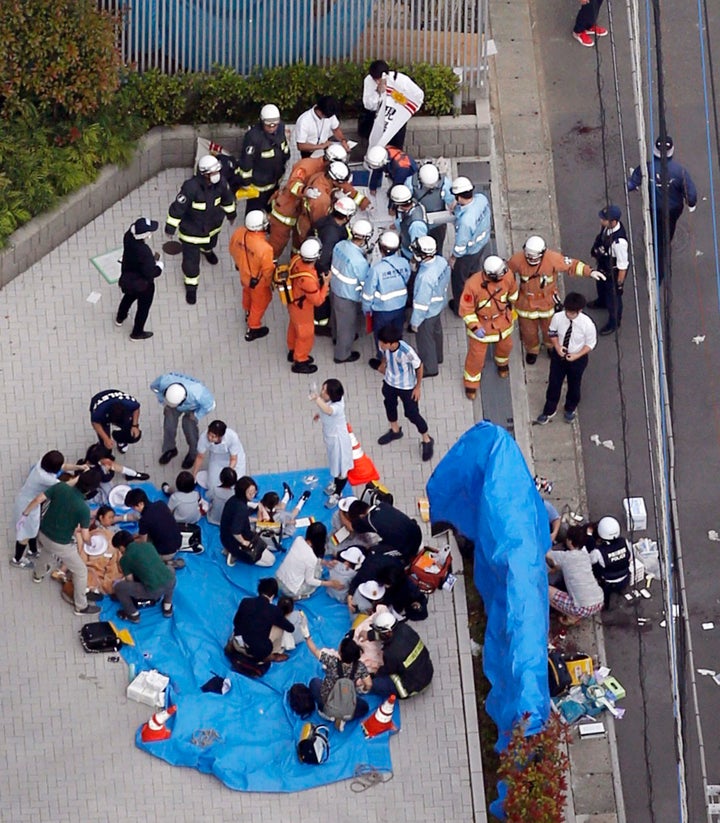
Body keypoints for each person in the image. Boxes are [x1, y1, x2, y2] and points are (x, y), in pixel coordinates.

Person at [506, 235, 604, 364]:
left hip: (547, 302)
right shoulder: (517, 260)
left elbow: (572, 265)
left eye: (534, 257)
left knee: (550, 329)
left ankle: (551, 347)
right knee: (528, 331)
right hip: (526, 303)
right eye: (528, 256)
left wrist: (589, 272)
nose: (530, 259)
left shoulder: (552, 259)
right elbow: (506, 275)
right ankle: (532, 350)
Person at [21, 468, 103, 616]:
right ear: (91, 490)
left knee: (46, 552)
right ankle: (81, 606)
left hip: (43, 532)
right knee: (81, 571)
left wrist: (25, 514)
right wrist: (92, 542)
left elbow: (38, 499)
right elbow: (85, 537)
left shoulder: (60, 487)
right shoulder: (83, 509)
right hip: (60, 543)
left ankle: (38, 575)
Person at [165, 154, 237, 304]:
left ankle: (207, 251)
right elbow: (178, 207)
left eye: (218, 172)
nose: (217, 175)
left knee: (210, 244)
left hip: (212, 226)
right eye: (214, 173)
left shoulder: (221, 184)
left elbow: (228, 200)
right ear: (204, 174)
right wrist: (170, 227)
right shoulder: (190, 187)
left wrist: (231, 214)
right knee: (191, 263)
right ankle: (191, 287)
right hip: (192, 232)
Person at [628, 135, 697, 281]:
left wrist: (634, 187)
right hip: (674, 209)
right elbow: (690, 193)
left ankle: (656, 263)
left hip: (654, 208)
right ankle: (667, 241)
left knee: (655, 231)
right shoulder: (679, 171)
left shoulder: (647, 167)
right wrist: (691, 204)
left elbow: (632, 183)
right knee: (669, 229)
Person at [268, 144, 348, 258]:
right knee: (277, 244)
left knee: (299, 243)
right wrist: (304, 190)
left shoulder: (327, 171)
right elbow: (292, 184)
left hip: (301, 211)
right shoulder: (306, 165)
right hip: (286, 210)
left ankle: (295, 261)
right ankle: (267, 267)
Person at [459, 255, 519, 399]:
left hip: (502, 320)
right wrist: (475, 326)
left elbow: (513, 293)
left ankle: (502, 364)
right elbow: (466, 309)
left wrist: (512, 308)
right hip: (482, 324)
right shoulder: (472, 285)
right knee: (476, 357)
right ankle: (471, 384)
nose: (503, 274)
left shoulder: (507, 275)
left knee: (506, 346)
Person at [373, 325, 434, 462]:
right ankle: (395, 430)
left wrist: (417, 387)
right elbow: (385, 356)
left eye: (383, 343)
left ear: (392, 343)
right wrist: (383, 365)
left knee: (412, 414)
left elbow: (419, 367)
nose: (380, 345)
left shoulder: (407, 352)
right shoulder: (384, 346)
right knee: (389, 405)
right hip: (389, 382)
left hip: (407, 387)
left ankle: (427, 438)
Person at [11, 450, 82, 568]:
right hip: (28, 506)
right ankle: (17, 559)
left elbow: (63, 467)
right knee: (25, 534)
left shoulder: (41, 465)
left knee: (32, 529)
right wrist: (82, 476)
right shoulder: (46, 478)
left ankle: (32, 551)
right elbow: (65, 486)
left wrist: (79, 466)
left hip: (30, 502)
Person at [536, 292, 597, 424]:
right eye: (567, 311)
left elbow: (590, 344)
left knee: (574, 384)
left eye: (572, 312)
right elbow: (552, 332)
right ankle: (549, 410)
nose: (569, 314)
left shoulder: (587, 324)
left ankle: (570, 408)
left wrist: (577, 355)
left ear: (579, 310)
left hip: (578, 359)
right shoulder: (558, 317)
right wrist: (557, 347)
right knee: (554, 383)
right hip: (559, 357)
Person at [302, 632, 371, 730]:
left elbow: (315, 650)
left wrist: (307, 636)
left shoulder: (332, 661)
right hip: (346, 703)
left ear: (341, 653)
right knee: (364, 707)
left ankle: (327, 714)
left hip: (327, 702)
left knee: (314, 682)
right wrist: (362, 689)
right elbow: (369, 684)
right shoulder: (360, 667)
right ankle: (342, 718)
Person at [150, 372, 216, 467]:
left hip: (192, 408)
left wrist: (197, 415)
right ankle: (170, 449)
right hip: (170, 403)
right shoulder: (164, 381)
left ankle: (193, 454)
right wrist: (163, 400)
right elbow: (154, 387)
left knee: (190, 429)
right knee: (169, 426)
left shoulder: (199, 393)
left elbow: (210, 405)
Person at [362, 230, 411, 359]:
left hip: (382, 310)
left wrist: (366, 310)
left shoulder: (376, 270)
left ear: (380, 248)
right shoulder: (404, 263)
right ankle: (396, 354)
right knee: (397, 333)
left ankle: (383, 358)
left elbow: (368, 293)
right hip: (400, 306)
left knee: (381, 335)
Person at [330, 218, 373, 363]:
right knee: (347, 327)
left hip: (335, 288)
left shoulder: (340, 245)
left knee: (336, 319)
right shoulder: (359, 262)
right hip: (348, 296)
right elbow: (365, 281)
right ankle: (342, 355)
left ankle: (335, 338)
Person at [228, 210, 275, 342]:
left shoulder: (239, 232)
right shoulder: (265, 249)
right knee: (260, 304)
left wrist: (240, 264)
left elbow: (231, 249)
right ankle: (253, 328)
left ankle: (247, 311)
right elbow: (268, 270)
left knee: (247, 292)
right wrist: (270, 283)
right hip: (258, 281)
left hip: (244, 275)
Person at [284, 238, 330, 375]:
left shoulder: (296, 260)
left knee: (294, 327)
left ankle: (292, 350)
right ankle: (300, 360)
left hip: (293, 303)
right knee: (305, 334)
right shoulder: (308, 280)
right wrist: (326, 284)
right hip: (303, 308)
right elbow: (318, 301)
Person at [111, 530, 176, 623]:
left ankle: (133, 615)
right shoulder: (147, 545)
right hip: (171, 582)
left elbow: (130, 580)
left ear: (121, 547)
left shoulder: (124, 559)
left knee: (119, 588)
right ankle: (167, 607)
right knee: (170, 570)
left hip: (153, 591)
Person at [115, 217, 164, 340]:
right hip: (143, 285)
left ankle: (120, 317)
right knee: (143, 308)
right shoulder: (144, 252)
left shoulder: (128, 236)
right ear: (145, 235)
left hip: (128, 277)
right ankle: (137, 333)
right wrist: (159, 267)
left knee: (128, 297)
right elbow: (150, 273)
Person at [366, 610, 433, 698]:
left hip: (412, 687)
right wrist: (369, 635)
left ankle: (403, 693)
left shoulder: (392, 653)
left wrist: (374, 673)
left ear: (388, 633)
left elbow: (387, 670)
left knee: (375, 684)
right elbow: (386, 635)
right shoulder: (405, 628)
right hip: (427, 671)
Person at [236, 104, 290, 213]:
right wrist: (246, 183)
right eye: (268, 126)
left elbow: (284, 149)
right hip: (257, 187)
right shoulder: (252, 137)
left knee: (273, 212)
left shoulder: (281, 129)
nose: (271, 128)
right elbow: (246, 162)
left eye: (274, 125)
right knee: (254, 214)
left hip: (274, 182)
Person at [409, 235, 450, 377]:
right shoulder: (441, 261)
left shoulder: (425, 278)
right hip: (438, 306)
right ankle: (438, 357)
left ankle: (429, 368)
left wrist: (415, 322)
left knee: (425, 341)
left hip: (427, 313)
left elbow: (421, 304)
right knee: (436, 332)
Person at [449, 176, 491, 312]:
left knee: (458, 279)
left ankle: (460, 308)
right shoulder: (481, 199)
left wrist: (454, 258)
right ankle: (477, 295)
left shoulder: (466, 222)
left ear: (459, 197)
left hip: (468, 252)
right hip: (482, 244)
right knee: (474, 272)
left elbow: (461, 244)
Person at [546, 525, 604, 624]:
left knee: (546, 590)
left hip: (582, 607)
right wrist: (555, 569)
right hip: (599, 601)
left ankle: (572, 616)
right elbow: (568, 566)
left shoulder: (564, 556)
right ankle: (574, 613)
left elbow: (546, 553)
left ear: (569, 541)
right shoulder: (586, 556)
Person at [309, 379, 354, 509]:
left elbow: (329, 410)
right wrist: (319, 414)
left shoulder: (338, 406)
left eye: (324, 391)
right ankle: (335, 484)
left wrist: (316, 397)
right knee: (334, 465)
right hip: (331, 439)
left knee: (341, 469)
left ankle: (337, 492)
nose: (322, 392)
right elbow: (325, 409)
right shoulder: (329, 402)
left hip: (339, 441)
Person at [231, 577, 296, 662]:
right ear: (273, 596)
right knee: (279, 629)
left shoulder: (245, 601)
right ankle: (273, 655)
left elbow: (235, 621)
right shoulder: (274, 611)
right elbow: (290, 628)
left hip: (237, 644)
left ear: (259, 590)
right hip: (256, 653)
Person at [589, 205, 629, 335]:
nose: (601, 220)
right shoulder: (607, 228)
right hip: (603, 265)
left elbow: (623, 266)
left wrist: (619, 284)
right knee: (600, 285)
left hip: (613, 271)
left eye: (604, 219)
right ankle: (601, 302)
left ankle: (614, 322)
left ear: (613, 221)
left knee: (613, 299)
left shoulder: (619, 243)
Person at [275, 522, 341, 598]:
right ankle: (298, 596)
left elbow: (303, 559)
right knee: (317, 572)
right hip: (290, 590)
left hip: (278, 579)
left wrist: (325, 563)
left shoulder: (298, 539)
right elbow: (310, 580)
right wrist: (330, 583)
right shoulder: (312, 558)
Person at [347, 499, 423, 565]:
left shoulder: (369, 521)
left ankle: (404, 562)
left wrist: (341, 513)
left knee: (373, 552)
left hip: (409, 548)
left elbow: (351, 528)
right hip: (417, 533)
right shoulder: (383, 505)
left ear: (361, 516)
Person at [220, 475, 274, 567]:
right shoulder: (241, 509)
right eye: (250, 493)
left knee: (267, 548)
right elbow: (235, 531)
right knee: (271, 561)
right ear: (243, 492)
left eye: (254, 492)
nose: (253, 495)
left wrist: (257, 517)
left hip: (226, 536)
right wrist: (244, 542)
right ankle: (234, 553)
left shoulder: (234, 500)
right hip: (236, 541)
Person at [124, 488, 183, 563]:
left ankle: (167, 563)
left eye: (133, 507)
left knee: (141, 557)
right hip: (178, 542)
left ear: (140, 504)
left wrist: (128, 542)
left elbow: (143, 543)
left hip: (167, 553)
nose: (133, 509)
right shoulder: (161, 504)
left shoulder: (144, 520)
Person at [360, 60, 408, 149]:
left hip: (394, 116)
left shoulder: (399, 80)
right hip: (377, 117)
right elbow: (368, 105)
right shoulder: (368, 80)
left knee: (395, 146)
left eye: (379, 79)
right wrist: (378, 92)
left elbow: (405, 100)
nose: (377, 82)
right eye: (375, 80)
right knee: (377, 146)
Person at [410, 162, 454, 255]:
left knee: (437, 247)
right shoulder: (410, 184)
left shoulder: (445, 184)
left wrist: (453, 206)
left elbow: (451, 201)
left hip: (437, 223)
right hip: (419, 221)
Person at [190, 419, 246, 491]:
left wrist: (228, 473)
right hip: (216, 457)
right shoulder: (203, 438)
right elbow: (200, 457)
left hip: (234, 459)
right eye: (209, 434)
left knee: (237, 485)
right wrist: (193, 475)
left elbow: (233, 459)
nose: (209, 438)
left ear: (220, 437)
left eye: (213, 436)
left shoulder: (232, 437)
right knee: (212, 486)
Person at [589, 516, 631, 609]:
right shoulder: (625, 542)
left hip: (608, 582)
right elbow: (629, 557)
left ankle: (606, 605)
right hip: (625, 578)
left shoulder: (598, 552)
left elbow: (589, 560)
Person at [89, 389, 142, 454]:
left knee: (129, 428)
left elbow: (136, 409)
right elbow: (95, 423)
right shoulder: (99, 412)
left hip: (115, 396)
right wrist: (105, 438)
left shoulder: (130, 404)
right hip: (99, 400)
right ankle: (104, 446)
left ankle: (121, 438)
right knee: (104, 439)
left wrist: (135, 425)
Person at [390, 184, 428, 262]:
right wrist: (397, 224)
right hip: (404, 245)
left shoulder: (416, 225)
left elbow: (418, 249)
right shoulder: (413, 203)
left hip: (409, 255)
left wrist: (413, 262)